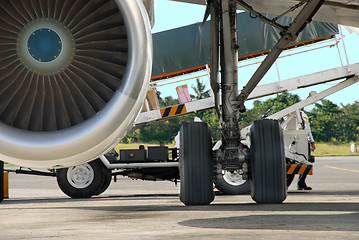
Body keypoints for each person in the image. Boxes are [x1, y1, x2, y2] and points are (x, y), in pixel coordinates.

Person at [287, 110, 316, 190]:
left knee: (306, 161)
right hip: (293, 141)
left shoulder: (304, 115)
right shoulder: (288, 114)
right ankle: (286, 184)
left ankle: (301, 183)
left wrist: (311, 141)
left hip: (304, 140)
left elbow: (308, 129)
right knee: (292, 162)